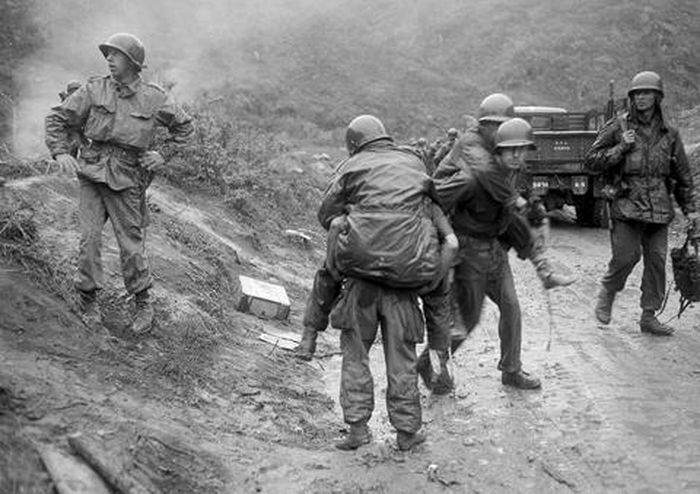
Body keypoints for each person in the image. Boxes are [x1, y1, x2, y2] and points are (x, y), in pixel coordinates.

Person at [319, 115, 455, 451]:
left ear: (354, 144)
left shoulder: (350, 167)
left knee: (355, 357)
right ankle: (407, 433)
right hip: (404, 286)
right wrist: (431, 278)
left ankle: (357, 431)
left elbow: (326, 216)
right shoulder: (415, 164)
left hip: (360, 284)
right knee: (402, 361)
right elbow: (445, 229)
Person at [45, 33, 193, 334]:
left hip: (127, 178)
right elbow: (58, 117)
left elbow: (185, 128)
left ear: (133, 62)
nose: (109, 59)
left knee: (130, 245)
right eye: (108, 55)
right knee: (89, 239)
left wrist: (162, 155)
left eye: (116, 55)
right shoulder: (94, 88)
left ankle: (142, 302)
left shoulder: (154, 97)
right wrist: (61, 152)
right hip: (92, 172)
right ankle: (88, 298)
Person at [427, 115, 544, 390]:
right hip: (469, 250)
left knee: (511, 307)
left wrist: (530, 237)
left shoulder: (513, 172)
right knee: (466, 321)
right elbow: (435, 202)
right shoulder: (471, 175)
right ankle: (429, 366)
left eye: (521, 149)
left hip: (495, 249)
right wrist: (445, 242)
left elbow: (511, 213)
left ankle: (511, 369)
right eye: (511, 149)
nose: (517, 156)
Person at [586, 71, 700, 335]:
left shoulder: (670, 134)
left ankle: (649, 315)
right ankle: (609, 291)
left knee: (657, 262)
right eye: (637, 93)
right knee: (626, 257)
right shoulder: (618, 127)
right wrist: (620, 148)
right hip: (626, 206)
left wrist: (692, 214)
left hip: (659, 209)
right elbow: (591, 161)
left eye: (647, 93)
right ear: (632, 97)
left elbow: (683, 177)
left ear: (657, 97)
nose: (641, 97)